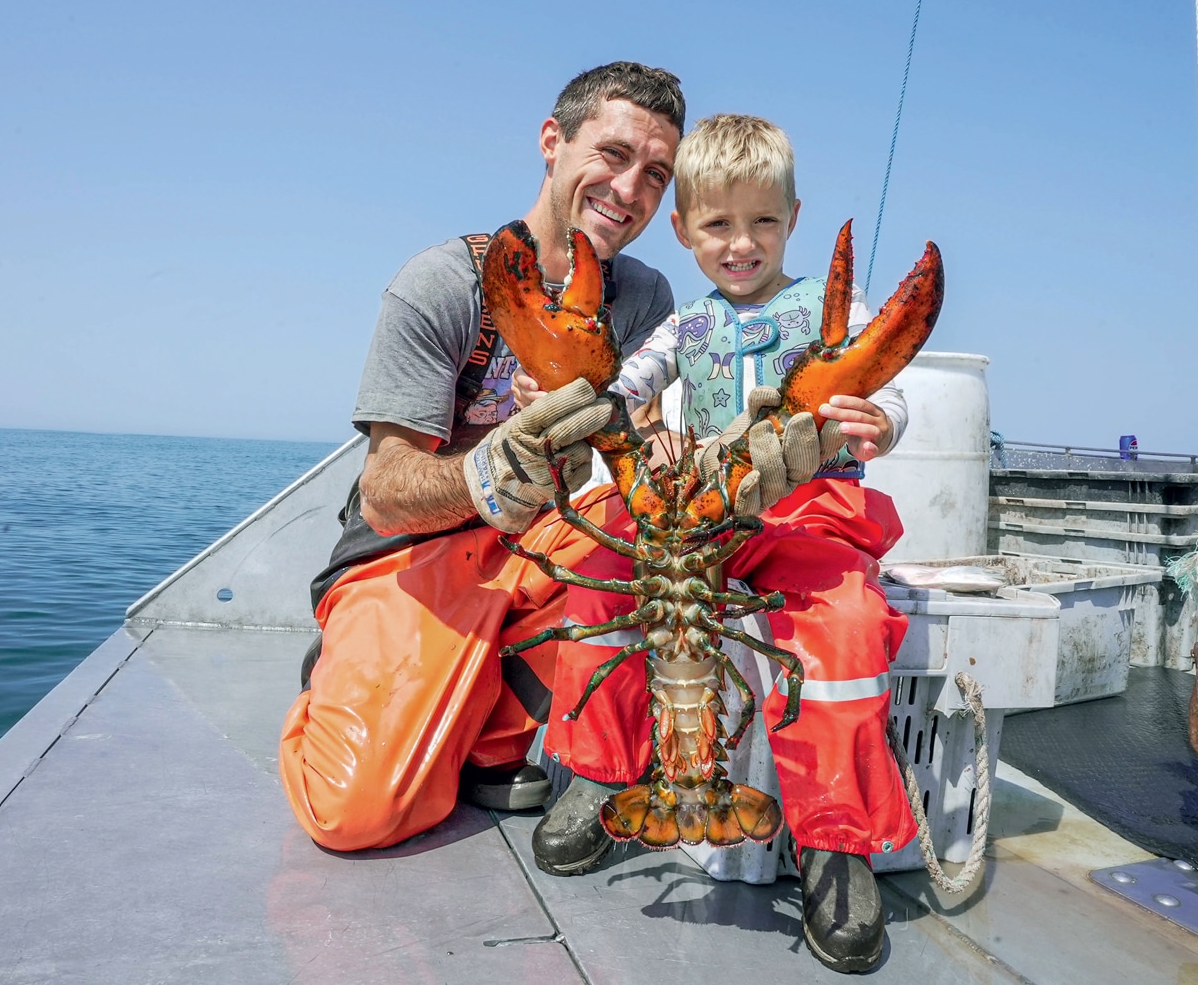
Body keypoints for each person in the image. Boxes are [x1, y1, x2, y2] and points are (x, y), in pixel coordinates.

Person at [522, 114, 918, 974]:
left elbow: (893, 391)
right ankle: (598, 772)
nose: (741, 245)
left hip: (805, 514)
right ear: (683, 230)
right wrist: (593, 403)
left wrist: (882, 419)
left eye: (763, 223)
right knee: (597, 564)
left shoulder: (825, 312)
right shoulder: (682, 326)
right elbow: (617, 390)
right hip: (698, 515)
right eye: (717, 226)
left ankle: (835, 841)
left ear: (794, 218)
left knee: (847, 628)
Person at [277, 62, 691, 852]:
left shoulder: (644, 300)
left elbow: (641, 449)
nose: (629, 189)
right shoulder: (443, 284)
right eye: (611, 154)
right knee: (355, 815)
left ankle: (489, 738)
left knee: (658, 535)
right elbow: (385, 493)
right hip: (407, 557)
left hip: (542, 545)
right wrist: (498, 462)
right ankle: (338, 678)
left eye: (656, 174)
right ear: (551, 142)